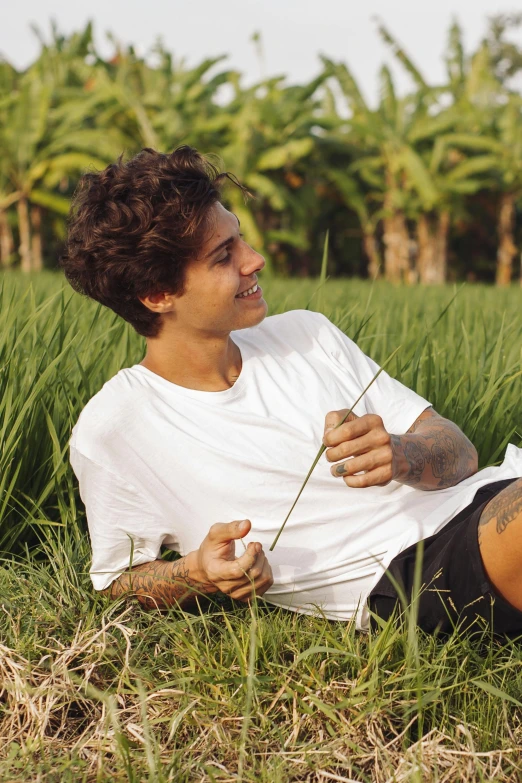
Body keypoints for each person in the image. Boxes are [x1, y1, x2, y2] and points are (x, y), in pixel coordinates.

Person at [61, 146, 522, 635]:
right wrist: (198, 573)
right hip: (410, 571)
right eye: (224, 256)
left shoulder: (307, 334)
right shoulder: (117, 425)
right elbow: (118, 580)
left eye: (240, 238)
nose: (255, 260)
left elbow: (462, 455)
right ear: (157, 294)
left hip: (492, 498)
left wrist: (402, 453)